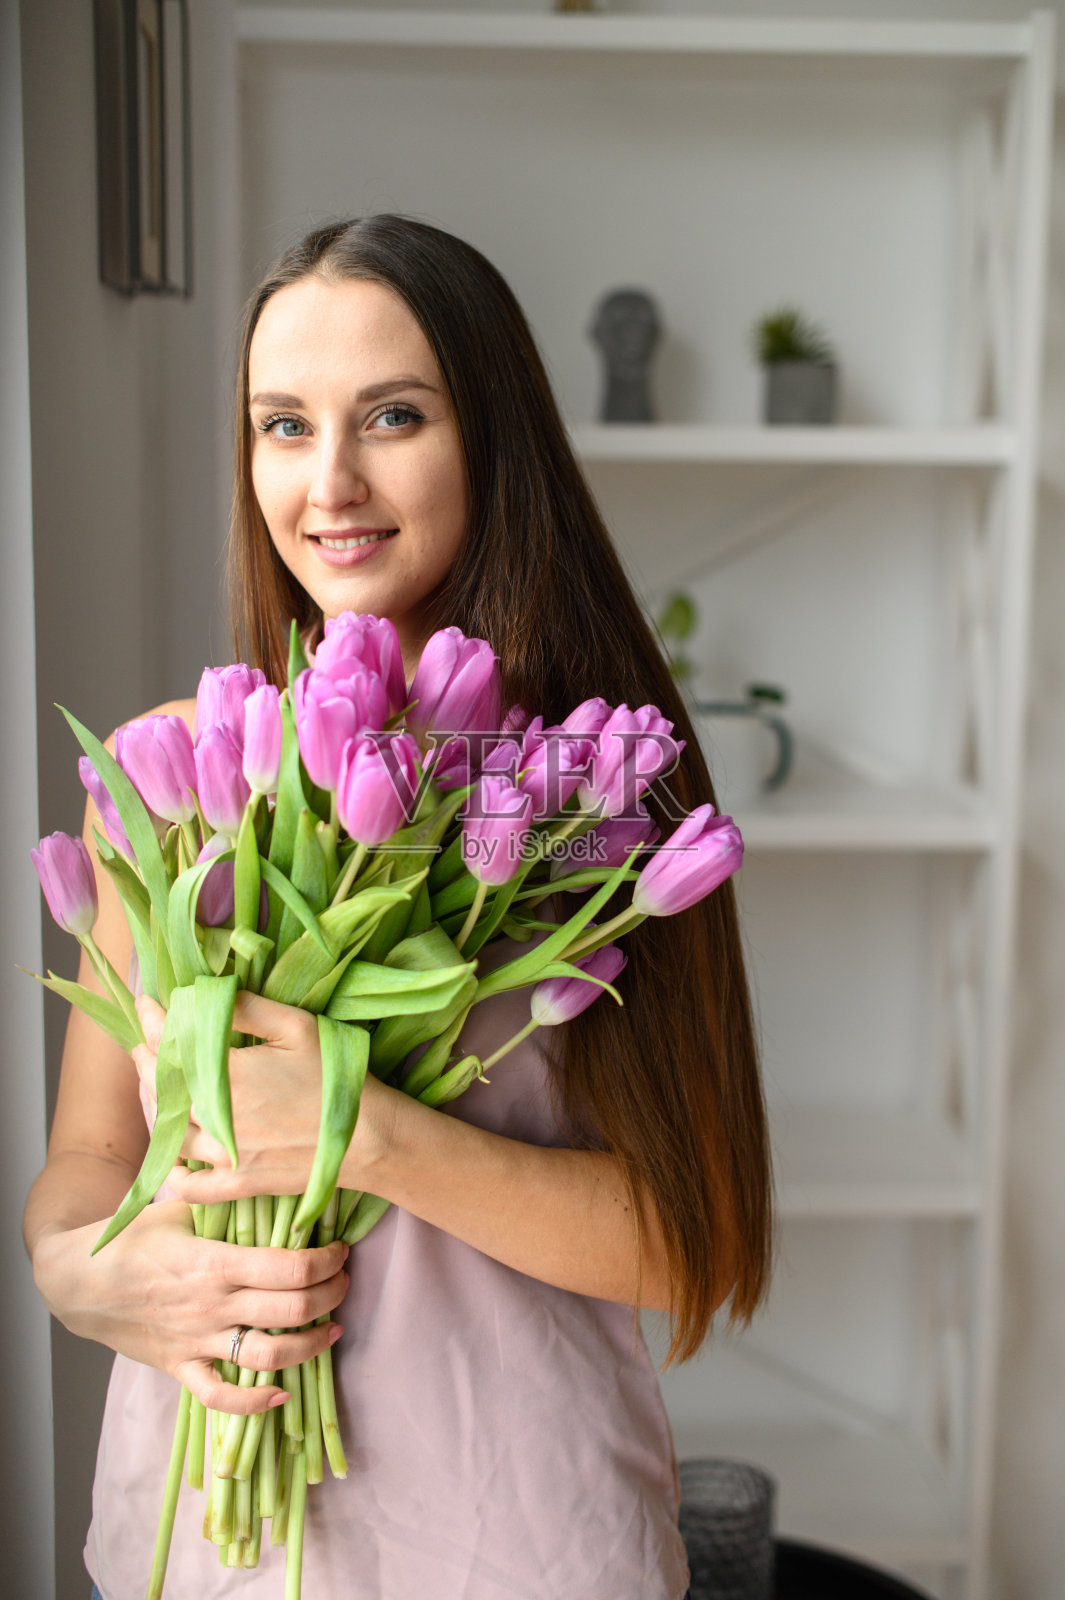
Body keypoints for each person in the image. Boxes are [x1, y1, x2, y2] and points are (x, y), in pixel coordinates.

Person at [24, 215, 772, 1600]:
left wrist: (365, 1133)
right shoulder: (170, 774)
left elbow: (694, 1237)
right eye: (283, 426)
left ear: (493, 439)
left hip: (516, 1541)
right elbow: (88, 1154)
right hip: (201, 1537)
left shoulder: (595, 794)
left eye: (393, 416)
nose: (331, 481)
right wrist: (80, 1271)